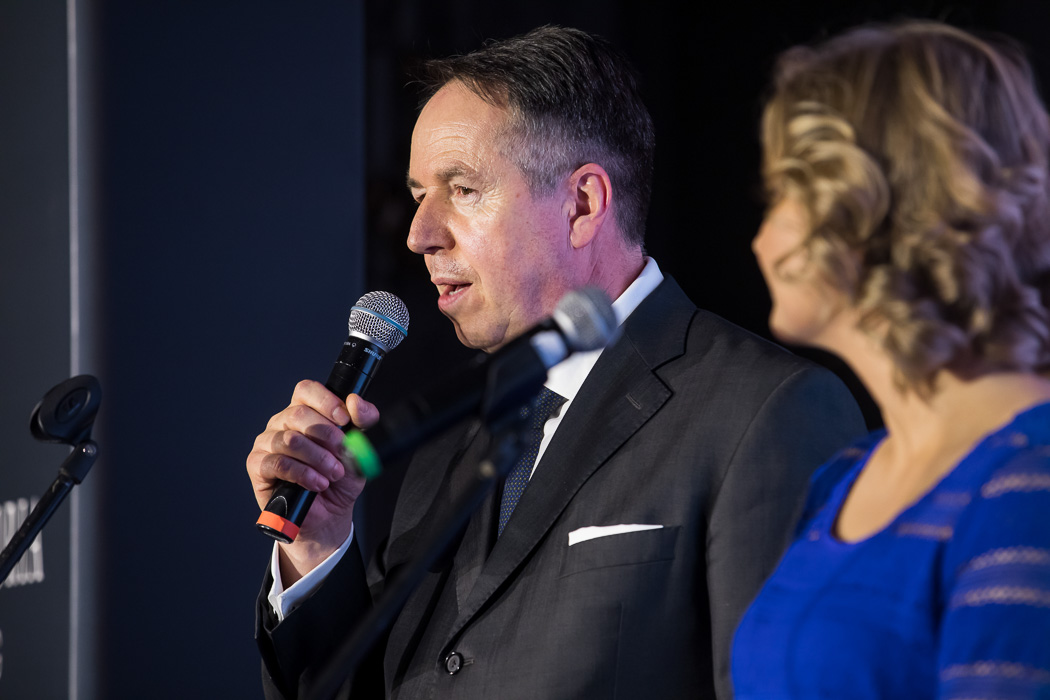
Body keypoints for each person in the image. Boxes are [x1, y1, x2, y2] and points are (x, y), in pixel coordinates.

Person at [249, 26, 864, 700]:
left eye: (462, 188)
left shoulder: (766, 412)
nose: (419, 235)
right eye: (420, 194)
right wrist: (317, 546)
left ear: (582, 204)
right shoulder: (449, 442)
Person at [732, 20, 1050, 699]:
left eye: (781, 193)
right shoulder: (846, 475)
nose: (760, 239)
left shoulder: (1029, 481)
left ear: (865, 203)